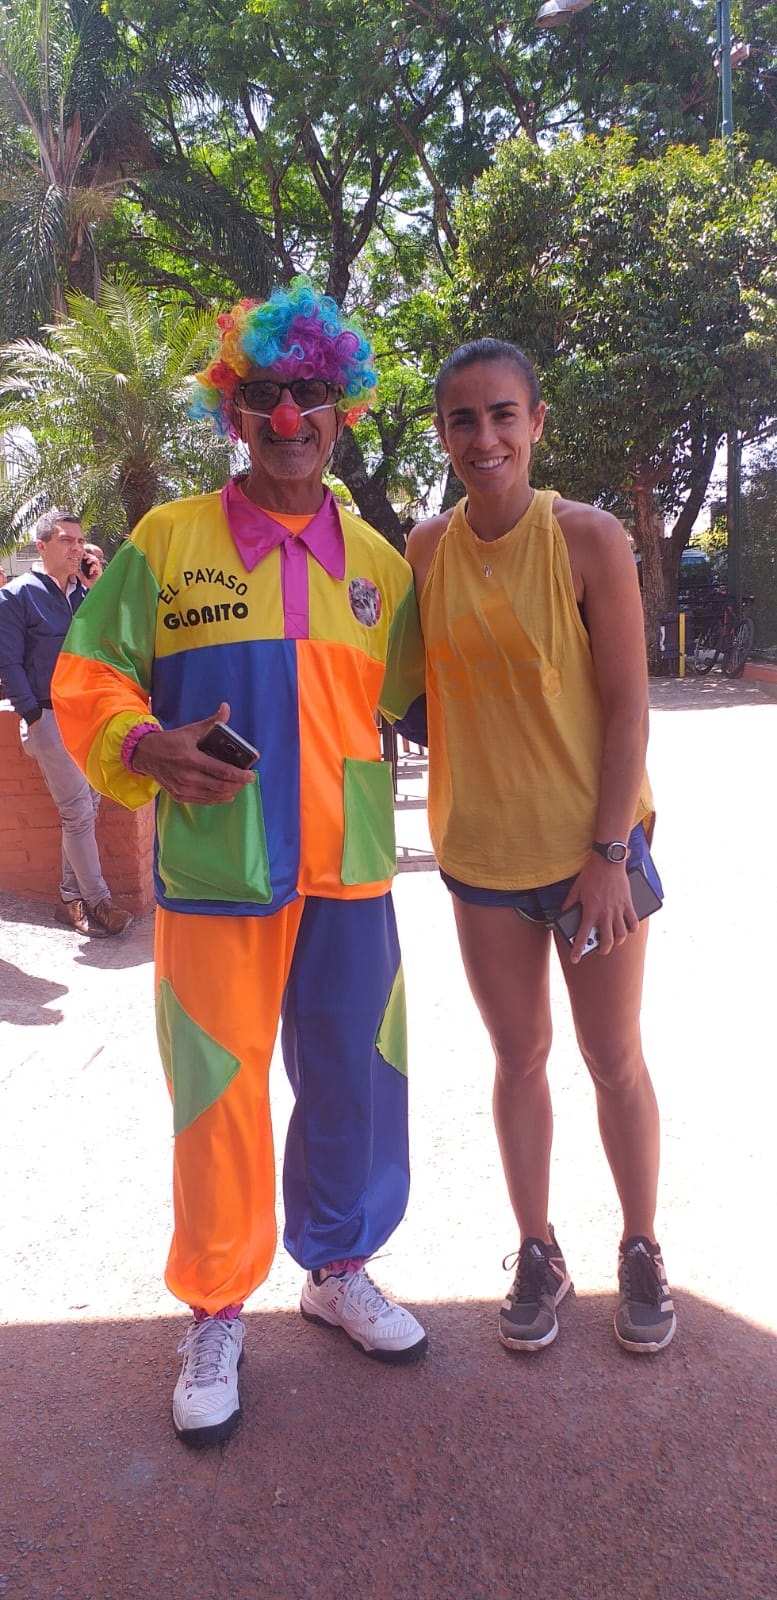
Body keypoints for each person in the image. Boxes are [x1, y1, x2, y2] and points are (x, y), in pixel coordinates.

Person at [52, 278, 428, 1447]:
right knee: (216, 1095)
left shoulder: (382, 567)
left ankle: (339, 1267)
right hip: (221, 874)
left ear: (342, 408)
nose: (288, 417)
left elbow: (428, 698)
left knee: (357, 1078)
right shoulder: (167, 541)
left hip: (351, 873)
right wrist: (140, 743)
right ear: (236, 410)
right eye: (264, 394)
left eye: (310, 393)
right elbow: (89, 672)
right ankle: (217, 1307)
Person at [406, 339, 675, 1357]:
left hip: (588, 858)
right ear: (443, 435)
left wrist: (608, 855)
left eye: (502, 415)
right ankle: (537, 1248)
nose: (485, 437)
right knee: (517, 1057)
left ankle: (641, 1244)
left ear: (536, 423)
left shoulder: (587, 539)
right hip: (480, 855)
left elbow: (628, 708)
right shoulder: (426, 550)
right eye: (463, 419)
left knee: (612, 1056)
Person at [0, 511, 132, 937]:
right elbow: (8, 662)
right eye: (66, 540)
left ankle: (69, 898)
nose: (76, 548)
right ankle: (99, 902)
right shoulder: (16, 596)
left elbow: (113, 639)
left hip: (89, 717)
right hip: (49, 717)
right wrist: (33, 716)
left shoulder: (84, 594)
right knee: (77, 811)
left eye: (79, 541)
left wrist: (96, 587)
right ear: (41, 547)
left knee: (86, 810)